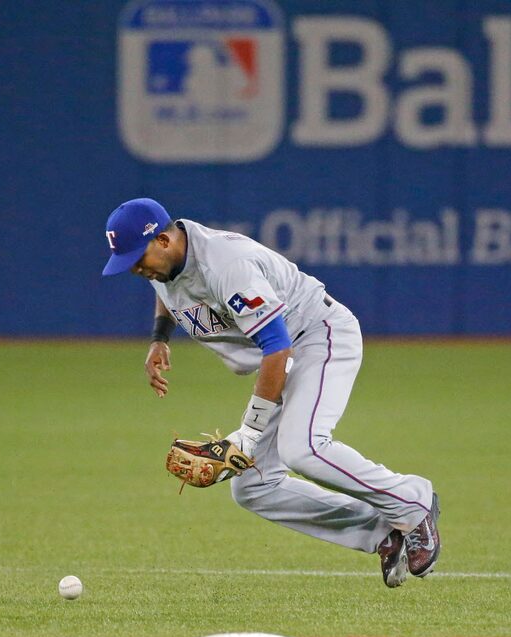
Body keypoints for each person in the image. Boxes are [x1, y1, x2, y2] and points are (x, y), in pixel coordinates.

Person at [102, 198, 441, 588]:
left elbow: (276, 346)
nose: (136, 269)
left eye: (137, 258)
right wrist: (160, 338)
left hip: (316, 336)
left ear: (162, 240)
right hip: (283, 356)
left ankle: (413, 502)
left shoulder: (226, 265)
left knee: (304, 448)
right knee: (253, 487)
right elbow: (166, 286)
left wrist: (249, 431)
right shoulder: (167, 260)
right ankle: (382, 533)